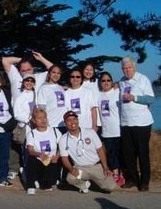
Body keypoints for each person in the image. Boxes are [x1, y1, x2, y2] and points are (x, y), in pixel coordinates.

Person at [119, 56, 154, 191]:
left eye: (129, 68)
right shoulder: (122, 82)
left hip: (142, 123)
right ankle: (132, 179)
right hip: (126, 123)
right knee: (128, 154)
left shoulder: (142, 79)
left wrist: (135, 98)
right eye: (124, 68)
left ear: (134, 67)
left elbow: (150, 99)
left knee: (142, 153)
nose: (127, 70)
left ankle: (144, 182)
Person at [59, 111, 116, 194]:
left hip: (96, 166)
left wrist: (105, 167)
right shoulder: (63, 139)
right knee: (70, 178)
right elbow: (64, 158)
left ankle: (95, 182)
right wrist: (71, 169)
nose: (73, 122)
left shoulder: (90, 132)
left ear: (78, 120)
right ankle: (84, 184)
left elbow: (100, 150)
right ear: (65, 123)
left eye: (75, 119)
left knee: (111, 187)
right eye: (69, 120)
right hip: (81, 169)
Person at [26, 108, 61, 195]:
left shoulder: (55, 131)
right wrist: (39, 154)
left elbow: (63, 147)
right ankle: (31, 185)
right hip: (38, 161)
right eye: (39, 118)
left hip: (52, 161)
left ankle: (40, 179)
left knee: (47, 186)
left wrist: (57, 157)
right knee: (32, 160)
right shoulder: (32, 134)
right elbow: (30, 150)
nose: (43, 120)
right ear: (34, 120)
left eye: (44, 117)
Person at [98, 71, 125, 186]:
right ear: (100, 83)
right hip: (107, 131)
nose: (106, 82)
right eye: (103, 80)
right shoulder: (98, 95)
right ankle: (115, 174)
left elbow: (129, 87)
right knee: (111, 154)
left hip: (119, 129)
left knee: (121, 153)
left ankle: (122, 174)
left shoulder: (117, 92)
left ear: (112, 81)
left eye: (108, 80)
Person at [13, 73, 37, 175]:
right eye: (27, 80)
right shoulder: (19, 97)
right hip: (25, 127)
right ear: (23, 82)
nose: (29, 83)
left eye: (31, 81)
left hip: (36, 127)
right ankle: (27, 170)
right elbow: (16, 115)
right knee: (26, 150)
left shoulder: (36, 95)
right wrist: (29, 120)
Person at [37, 64, 66, 133]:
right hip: (52, 124)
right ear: (49, 74)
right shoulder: (43, 88)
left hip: (64, 124)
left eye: (58, 73)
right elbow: (41, 108)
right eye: (54, 72)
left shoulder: (60, 87)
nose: (56, 75)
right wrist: (45, 124)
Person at [82, 62, 101, 131]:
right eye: (86, 69)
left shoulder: (97, 82)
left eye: (91, 70)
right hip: (85, 121)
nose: (88, 72)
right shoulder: (79, 84)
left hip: (99, 120)